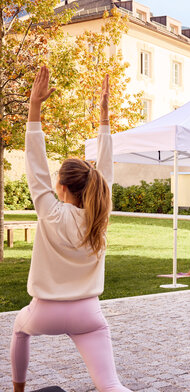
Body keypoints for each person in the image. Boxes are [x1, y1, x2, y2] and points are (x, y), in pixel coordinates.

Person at [10, 67, 130, 392]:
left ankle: (18, 390)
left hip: (43, 312)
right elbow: (105, 169)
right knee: (109, 384)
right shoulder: (99, 218)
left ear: (60, 186)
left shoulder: (48, 211)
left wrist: (34, 107)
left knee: (19, 330)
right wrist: (104, 118)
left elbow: (35, 160)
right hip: (88, 313)